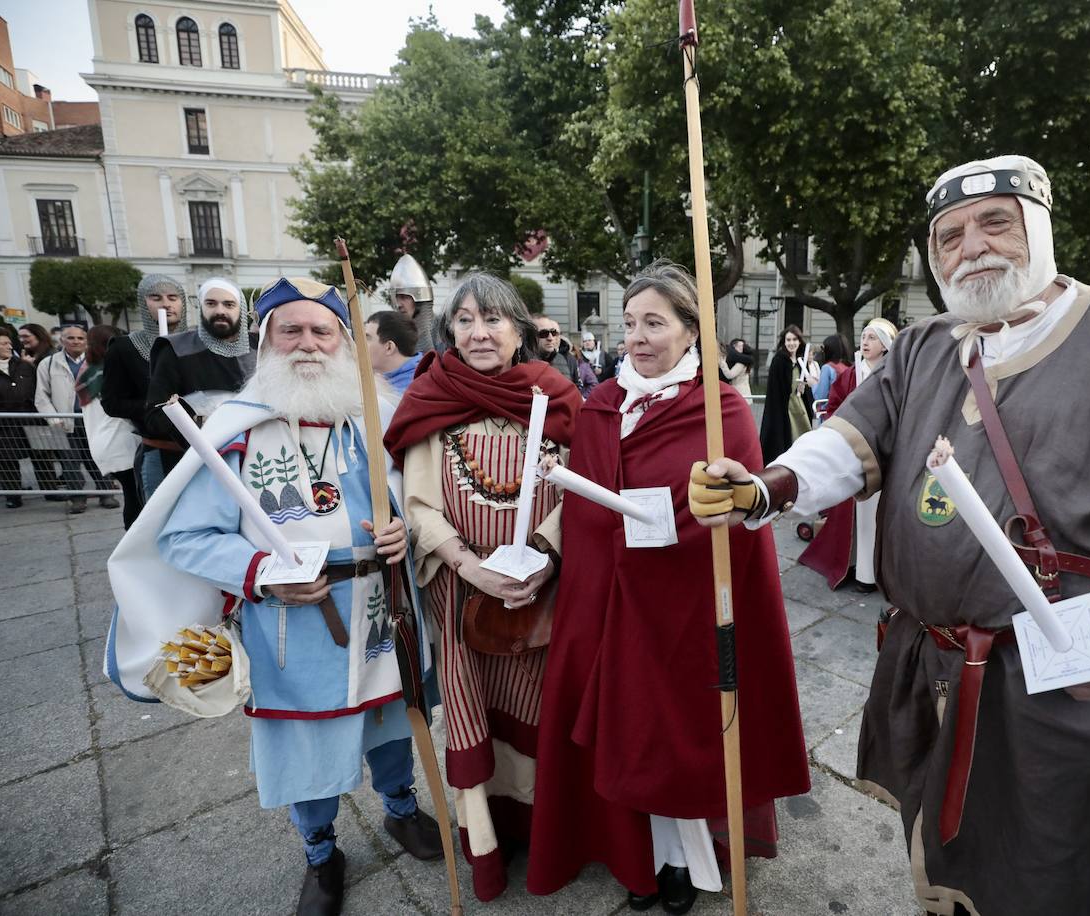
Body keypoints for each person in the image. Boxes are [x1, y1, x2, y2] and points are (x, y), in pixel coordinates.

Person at [689, 155, 1090, 916]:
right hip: (935, 663)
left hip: (1081, 673)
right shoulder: (924, 345)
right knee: (954, 851)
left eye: (996, 222)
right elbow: (848, 442)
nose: (972, 247)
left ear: (1040, 228)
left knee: (1078, 860)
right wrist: (765, 487)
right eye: (949, 236)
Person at [105, 276, 442, 916]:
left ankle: (401, 812)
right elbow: (185, 538)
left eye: (323, 331)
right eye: (292, 330)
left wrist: (405, 531)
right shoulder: (235, 434)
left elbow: (414, 500)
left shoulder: (373, 424)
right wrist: (263, 570)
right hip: (294, 627)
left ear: (345, 345)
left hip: (379, 613)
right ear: (266, 344)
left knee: (393, 723)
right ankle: (321, 854)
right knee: (303, 747)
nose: (308, 344)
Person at [527, 262, 808, 914]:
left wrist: (665, 521)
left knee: (678, 737)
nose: (639, 337)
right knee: (621, 732)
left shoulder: (723, 411)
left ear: (691, 332)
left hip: (685, 606)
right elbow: (589, 511)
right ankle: (636, 856)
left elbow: (733, 508)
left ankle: (683, 859)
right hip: (603, 599)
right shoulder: (600, 406)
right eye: (630, 323)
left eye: (655, 322)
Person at [384, 273, 581, 901]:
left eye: (493, 319)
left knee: (540, 704)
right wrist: (469, 565)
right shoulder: (431, 395)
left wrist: (543, 557)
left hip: (541, 597)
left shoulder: (555, 395)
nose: (479, 332)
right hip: (461, 595)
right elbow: (417, 502)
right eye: (465, 320)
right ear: (449, 332)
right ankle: (489, 838)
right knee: (473, 709)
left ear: (519, 330)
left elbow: (582, 486)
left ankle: (542, 825)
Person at [798, 318, 899, 594]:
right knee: (857, 516)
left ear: (886, 344)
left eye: (872, 338)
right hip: (856, 452)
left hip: (888, 455)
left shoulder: (898, 375)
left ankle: (880, 573)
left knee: (884, 516)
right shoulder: (851, 374)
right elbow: (834, 406)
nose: (865, 342)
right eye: (864, 337)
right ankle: (859, 568)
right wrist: (846, 433)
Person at [144, 278, 258, 480]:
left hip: (256, 460)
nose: (220, 310)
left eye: (229, 304)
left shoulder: (259, 347)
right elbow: (156, 414)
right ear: (201, 307)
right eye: (211, 303)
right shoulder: (175, 349)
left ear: (240, 310)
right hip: (195, 463)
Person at [102, 274, 187, 504]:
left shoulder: (196, 343)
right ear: (143, 302)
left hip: (202, 452)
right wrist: (160, 407)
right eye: (156, 297)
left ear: (183, 303)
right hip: (159, 450)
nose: (166, 304)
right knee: (159, 520)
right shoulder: (123, 348)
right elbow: (112, 403)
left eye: (173, 297)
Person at [35, 325, 117, 514]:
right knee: (68, 461)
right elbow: (42, 396)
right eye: (71, 338)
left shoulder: (97, 361)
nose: (76, 341)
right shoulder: (48, 364)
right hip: (64, 422)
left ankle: (106, 493)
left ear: (86, 341)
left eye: (80, 338)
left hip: (93, 419)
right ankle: (77, 498)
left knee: (97, 457)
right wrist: (53, 419)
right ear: (62, 340)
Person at [76, 326, 141, 528]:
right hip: (120, 441)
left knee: (132, 494)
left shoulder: (88, 370)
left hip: (103, 442)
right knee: (135, 497)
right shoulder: (109, 370)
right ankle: (133, 543)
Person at [0, 326, 39, 508]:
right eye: (3, 343)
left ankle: (50, 490)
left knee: (41, 454)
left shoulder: (22, 365)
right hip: (0, 422)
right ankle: (13, 495)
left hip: (29, 418)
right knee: (6, 460)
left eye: (9, 342)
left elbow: (36, 388)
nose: (9, 346)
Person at [758, 325, 816, 463]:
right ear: (784, 342)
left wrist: (805, 386)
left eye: (794, 339)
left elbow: (807, 385)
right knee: (787, 437)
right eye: (788, 340)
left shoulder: (801, 360)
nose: (791, 343)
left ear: (799, 341)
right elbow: (776, 390)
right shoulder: (779, 360)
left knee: (803, 435)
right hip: (785, 407)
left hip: (799, 405)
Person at [389, 253, 438, 352]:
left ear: (419, 300)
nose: (398, 304)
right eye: (397, 298)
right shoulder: (393, 337)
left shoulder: (441, 334)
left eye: (404, 297)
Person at [365, 311, 421, 395]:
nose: (359, 344)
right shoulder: (383, 378)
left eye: (367, 338)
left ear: (389, 347)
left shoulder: (413, 390)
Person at [532, 315, 581, 389]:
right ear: (531, 336)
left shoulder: (562, 358)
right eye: (543, 333)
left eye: (553, 332)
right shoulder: (522, 362)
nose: (550, 338)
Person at [810, 334, 851, 418]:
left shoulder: (827, 368)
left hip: (829, 414)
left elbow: (820, 396)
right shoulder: (849, 367)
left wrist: (813, 384)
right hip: (845, 413)